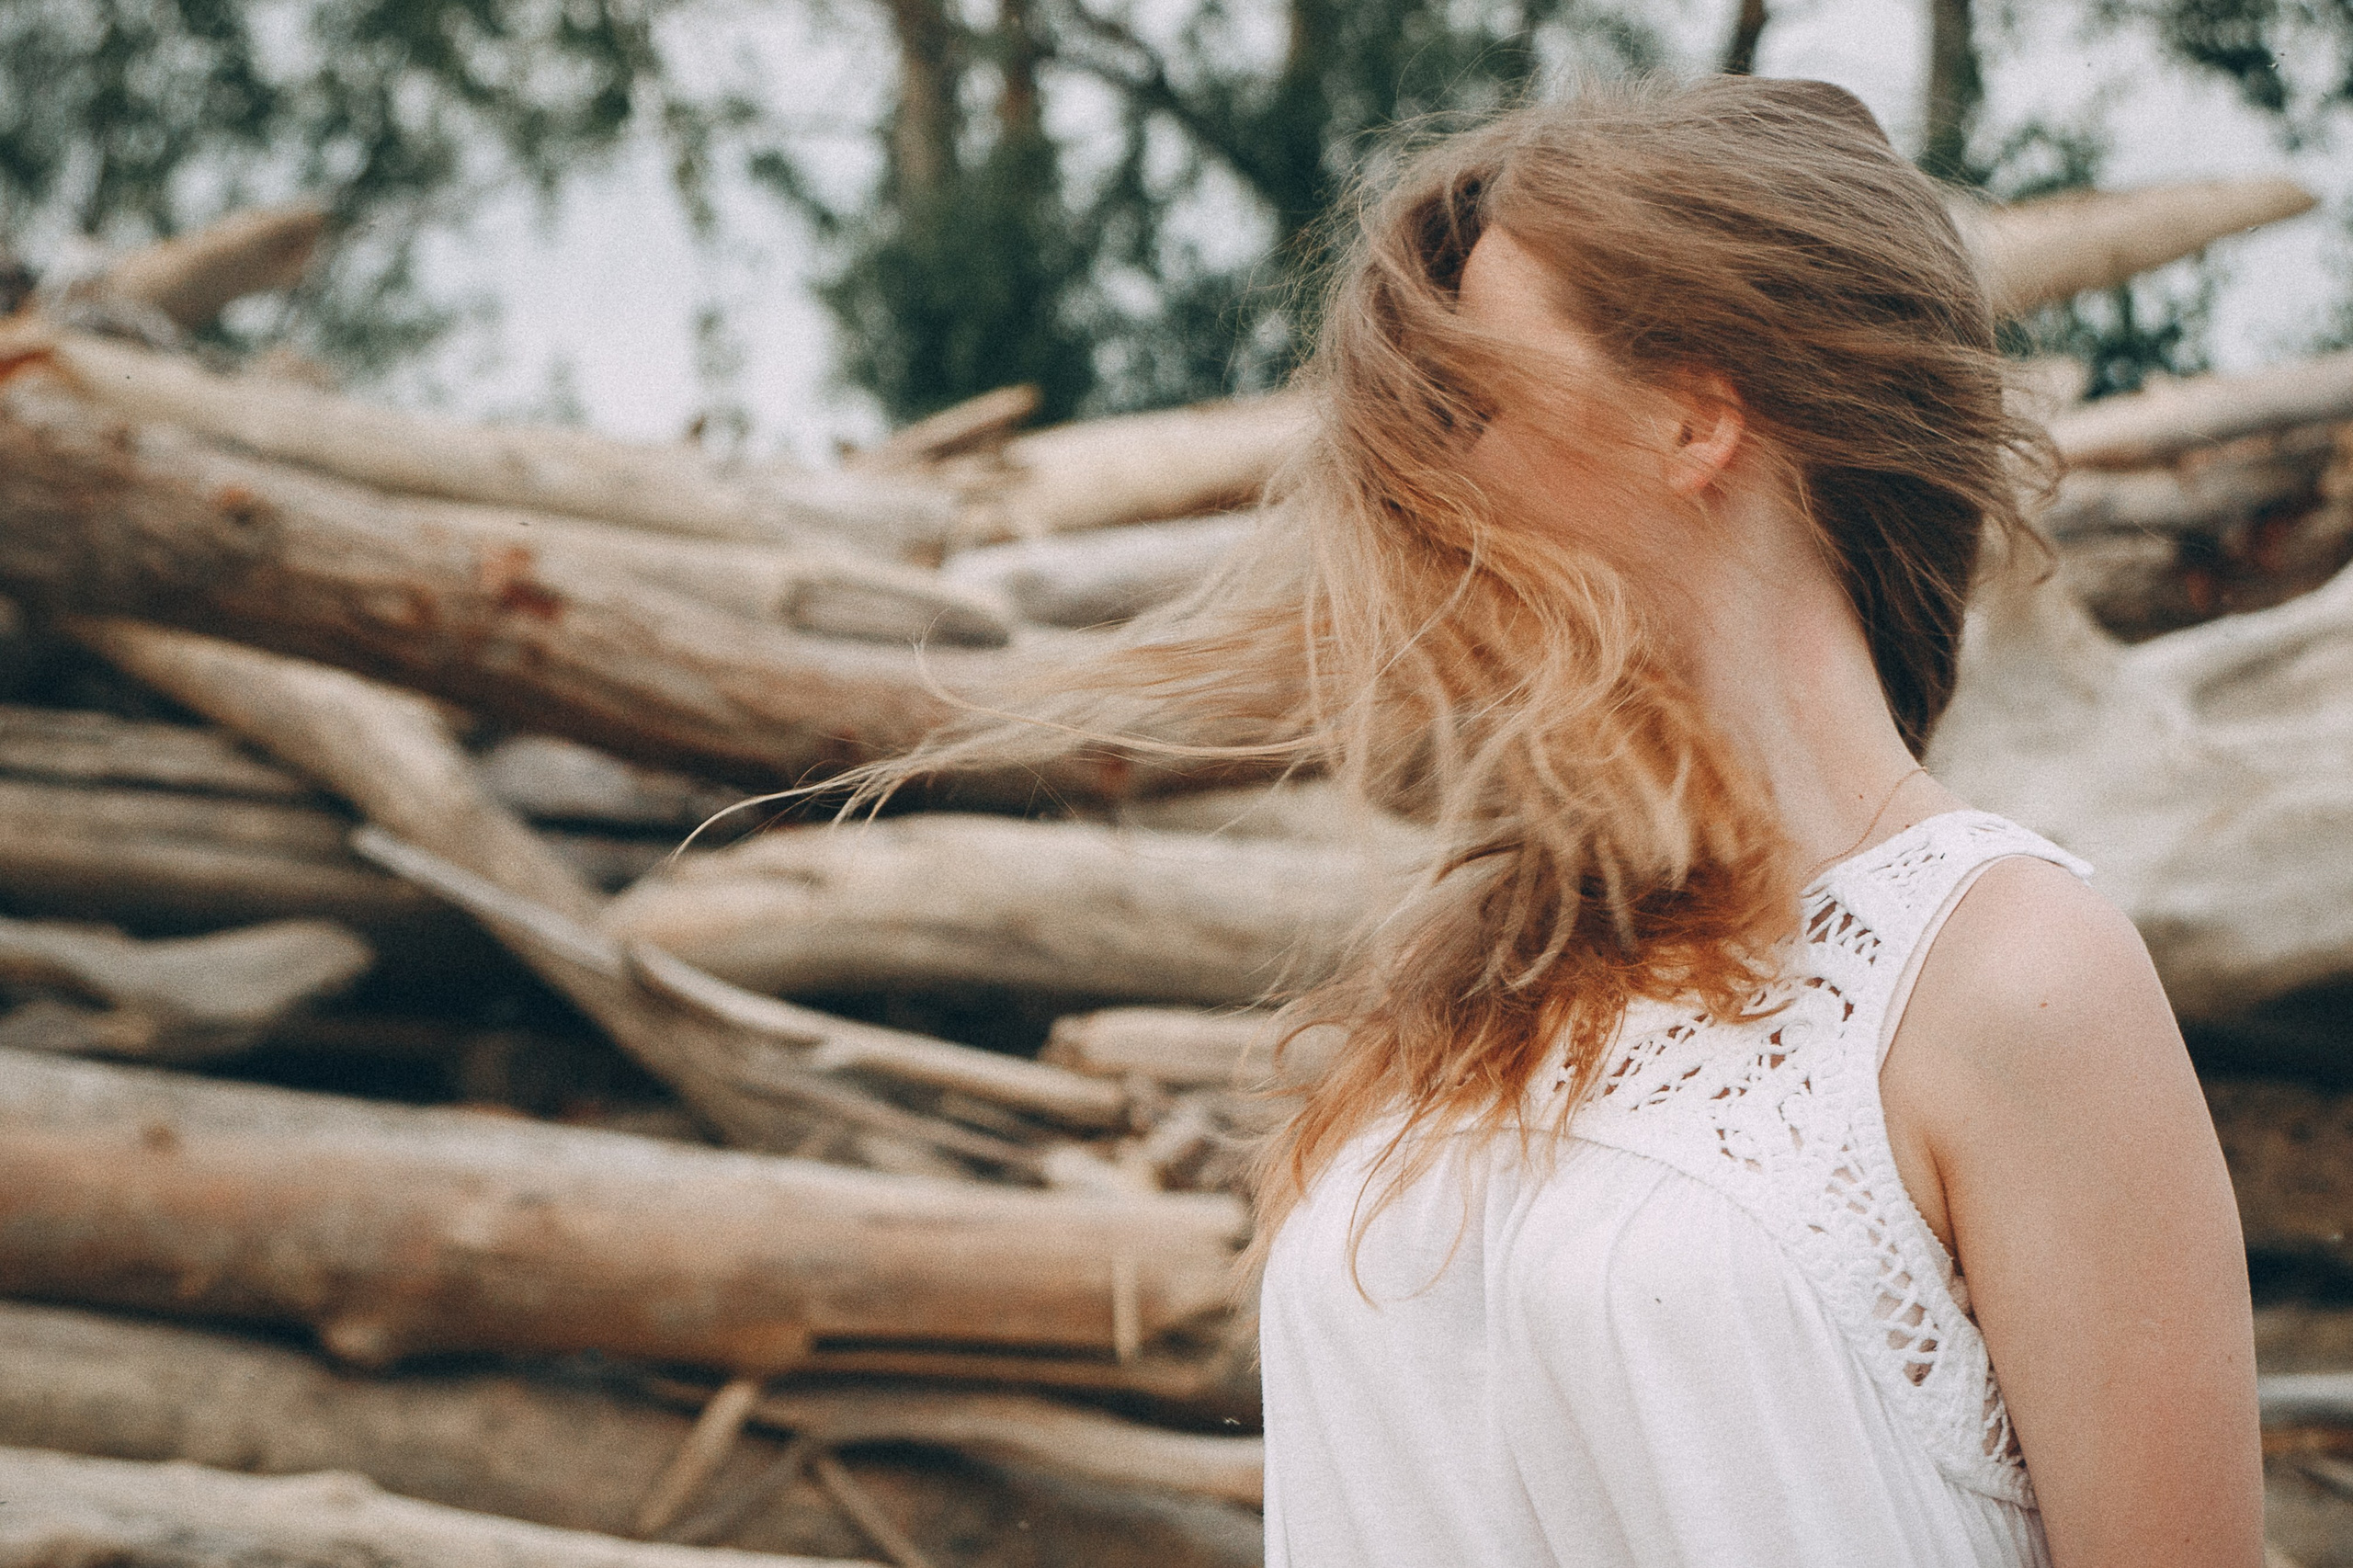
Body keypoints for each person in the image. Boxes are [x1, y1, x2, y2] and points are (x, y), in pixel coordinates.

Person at [858, 74, 2262, 1567]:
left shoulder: (2010, 975)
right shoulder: (1470, 1008)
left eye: (1467, 406)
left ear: (1695, 417)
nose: (1409, 481)